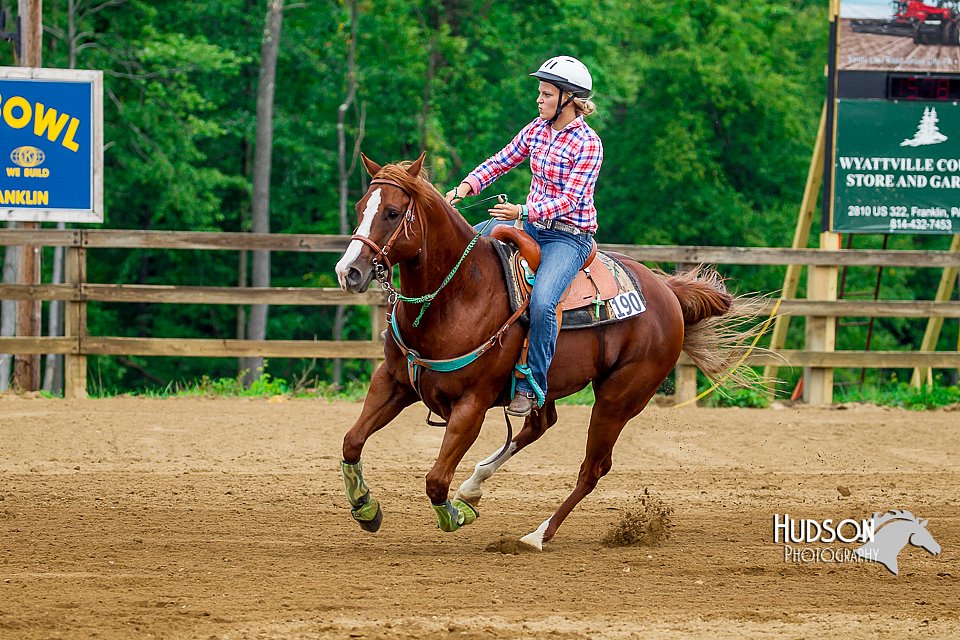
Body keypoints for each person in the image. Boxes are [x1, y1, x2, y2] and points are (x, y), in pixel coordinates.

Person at [445, 55, 603, 417]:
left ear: (568, 99)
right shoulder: (536, 129)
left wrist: (522, 212)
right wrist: (463, 188)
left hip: (568, 237)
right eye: (540, 93)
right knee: (465, 250)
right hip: (529, 228)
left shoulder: (588, 145)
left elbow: (570, 201)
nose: (539, 99)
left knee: (544, 302)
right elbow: (501, 160)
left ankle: (532, 385)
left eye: (546, 94)